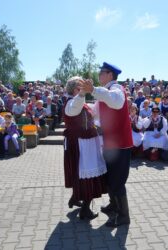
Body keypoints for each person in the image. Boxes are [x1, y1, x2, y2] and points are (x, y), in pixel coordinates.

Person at [81, 62, 133, 227]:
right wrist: (77, 100)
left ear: (110, 74)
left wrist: (94, 90)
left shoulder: (117, 89)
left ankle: (123, 216)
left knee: (117, 182)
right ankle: (114, 205)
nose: (99, 75)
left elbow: (116, 102)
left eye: (102, 72)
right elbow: (93, 111)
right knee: (110, 179)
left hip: (120, 145)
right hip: (110, 145)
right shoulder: (105, 93)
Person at [63, 76, 107, 220]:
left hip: (87, 143)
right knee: (85, 175)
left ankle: (76, 198)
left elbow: (93, 114)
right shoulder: (71, 103)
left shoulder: (82, 103)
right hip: (81, 144)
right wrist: (82, 93)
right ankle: (85, 210)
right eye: (78, 88)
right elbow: (75, 109)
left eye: (82, 87)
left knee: (82, 174)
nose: (81, 90)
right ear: (72, 90)